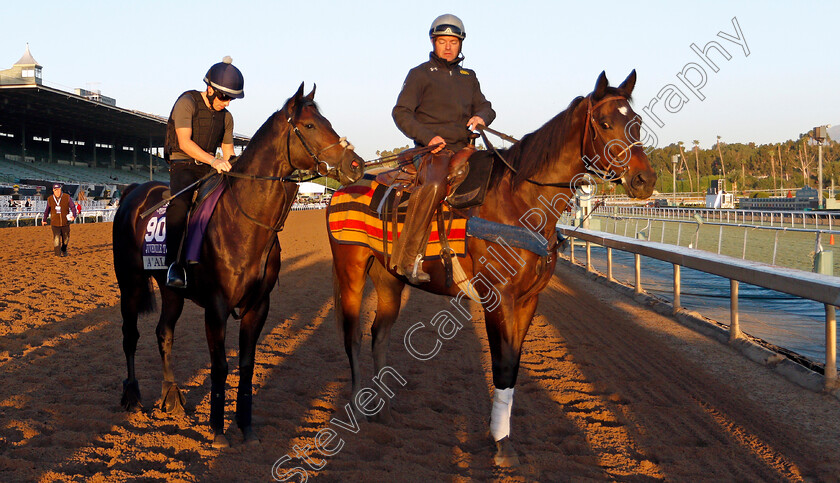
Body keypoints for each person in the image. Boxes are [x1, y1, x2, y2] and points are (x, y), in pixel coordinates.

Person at [391, 13, 495, 284]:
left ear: (460, 44)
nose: (448, 47)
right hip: (432, 152)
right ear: (433, 42)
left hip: (465, 149)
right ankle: (409, 258)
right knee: (435, 187)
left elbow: (486, 105)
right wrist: (428, 137)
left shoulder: (468, 76)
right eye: (442, 41)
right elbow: (401, 113)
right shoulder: (419, 74)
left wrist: (482, 117)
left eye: (453, 41)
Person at [163, 56, 243, 289]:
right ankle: (173, 265)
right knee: (180, 205)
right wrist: (214, 160)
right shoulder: (187, 102)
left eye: (231, 99)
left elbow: (227, 151)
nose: (227, 103)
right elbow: (185, 142)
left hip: (209, 169)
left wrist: (230, 166)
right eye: (224, 97)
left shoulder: (227, 118)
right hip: (183, 165)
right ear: (210, 89)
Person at [42, 183, 78, 257]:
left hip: (65, 223)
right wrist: (44, 219)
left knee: (66, 239)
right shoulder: (50, 199)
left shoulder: (66, 197)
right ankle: (57, 254)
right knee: (56, 239)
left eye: (59, 190)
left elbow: (73, 207)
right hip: (55, 223)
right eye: (56, 190)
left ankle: (64, 249)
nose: (58, 192)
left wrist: (74, 215)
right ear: (53, 190)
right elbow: (47, 210)